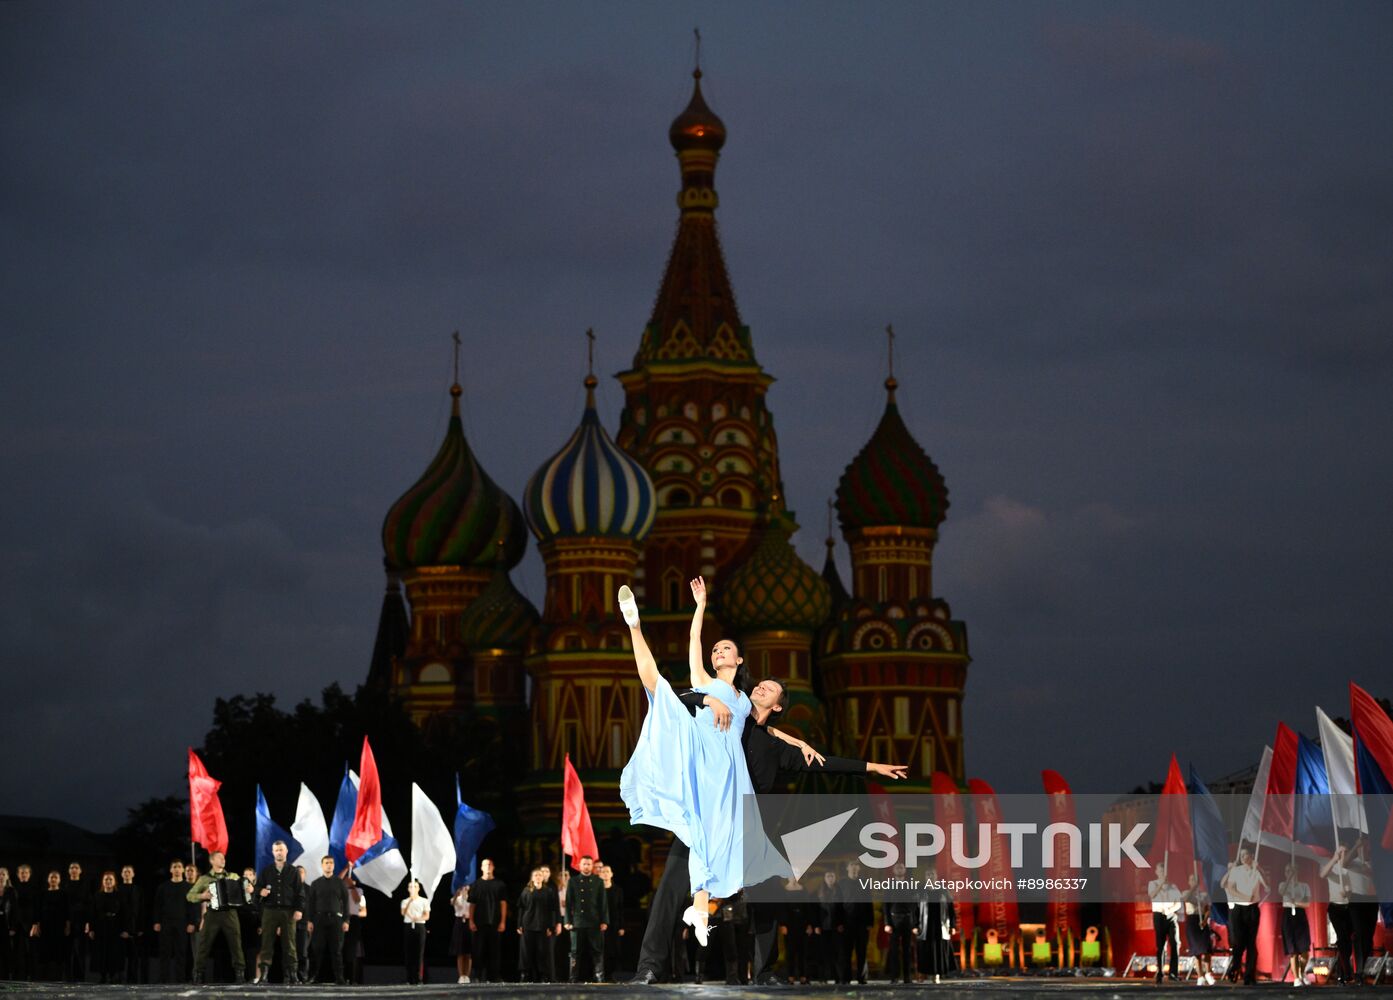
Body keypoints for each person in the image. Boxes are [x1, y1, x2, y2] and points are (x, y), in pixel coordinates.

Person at [628, 662, 907, 987]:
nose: (761, 686)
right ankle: (649, 967)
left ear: (777, 707)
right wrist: (708, 699)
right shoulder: (727, 718)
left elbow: (823, 764)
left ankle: (765, 971)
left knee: (769, 895)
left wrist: (871, 767)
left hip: (744, 830)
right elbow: (681, 699)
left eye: (770, 688)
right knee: (669, 891)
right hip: (704, 820)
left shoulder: (775, 749)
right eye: (760, 684)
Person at [619, 577, 819, 949]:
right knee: (658, 687)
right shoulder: (704, 682)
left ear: (739, 659)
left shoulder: (745, 698)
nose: (718, 652)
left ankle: (699, 909)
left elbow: (767, 730)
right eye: (716, 650)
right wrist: (700, 606)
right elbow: (694, 640)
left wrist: (799, 741)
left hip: (730, 772)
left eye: (725, 648)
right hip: (701, 752)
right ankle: (634, 625)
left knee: (713, 837)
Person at [186, 851, 244, 984]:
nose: (223, 860)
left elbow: (245, 887)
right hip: (212, 913)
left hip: (230, 913)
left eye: (224, 858)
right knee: (204, 944)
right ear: (211, 861)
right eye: (220, 858)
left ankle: (240, 974)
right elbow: (189, 895)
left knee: (236, 944)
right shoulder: (204, 879)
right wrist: (202, 896)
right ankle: (198, 974)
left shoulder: (233, 876)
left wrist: (247, 888)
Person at [256, 840, 303, 984]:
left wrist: (299, 909)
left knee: (290, 944)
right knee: (266, 943)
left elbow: (299, 893)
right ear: (273, 852)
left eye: (281, 850)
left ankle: (293, 975)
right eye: (276, 850)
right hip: (269, 911)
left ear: (286, 851)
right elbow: (257, 888)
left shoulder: (293, 871)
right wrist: (260, 891)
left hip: (288, 912)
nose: (279, 853)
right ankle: (264, 975)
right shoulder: (266, 871)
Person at [1220, 845, 1268, 986]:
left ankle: (1249, 976)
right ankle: (1235, 968)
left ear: (1251, 856)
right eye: (1241, 855)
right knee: (1238, 942)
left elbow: (1267, 886)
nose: (1243, 858)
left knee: (1251, 943)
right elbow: (1230, 888)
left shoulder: (1256, 871)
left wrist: (1260, 869)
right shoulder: (1236, 871)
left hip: (1252, 909)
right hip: (1238, 909)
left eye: (1245, 855)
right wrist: (1244, 897)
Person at [303, 856, 349, 985]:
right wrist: (309, 920)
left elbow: (346, 903)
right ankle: (313, 977)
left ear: (333, 866)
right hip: (319, 920)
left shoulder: (340, 883)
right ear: (322, 865)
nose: (329, 865)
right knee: (316, 950)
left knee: (337, 950)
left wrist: (346, 920)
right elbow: (310, 904)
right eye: (326, 863)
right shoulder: (315, 883)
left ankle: (339, 978)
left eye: (331, 863)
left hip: (336, 920)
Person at [565, 855, 608, 983]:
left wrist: (604, 921)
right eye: (584, 864)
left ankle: (599, 976)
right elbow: (568, 903)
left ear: (592, 866)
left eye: (589, 864)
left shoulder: (598, 881)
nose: (586, 866)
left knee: (597, 950)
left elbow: (603, 903)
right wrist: (567, 921)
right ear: (579, 866)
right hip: (577, 922)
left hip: (594, 921)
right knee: (575, 951)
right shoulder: (573, 881)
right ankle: (573, 977)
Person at [516, 867, 559, 982]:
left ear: (543, 878)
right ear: (532, 878)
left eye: (540, 875)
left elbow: (552, 910)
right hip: (528, 925)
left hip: (543, 926)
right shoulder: (526, 891)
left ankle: (543, 975)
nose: (538, 877)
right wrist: (519, 924)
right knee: (526, 951)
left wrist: (551, 926)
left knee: (542, 951)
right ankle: (525, 974)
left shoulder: (548, 891)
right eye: (536, 875)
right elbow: (521, 908)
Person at [469, 857, 507, 982]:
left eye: (490, 864)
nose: (488, 866)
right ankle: (477, 975)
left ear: (493, 867)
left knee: (494, 951)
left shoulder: (500, 884)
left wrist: (502, 921)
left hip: (495, 922)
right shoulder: (476, 885)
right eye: (485, 864)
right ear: (481, 868)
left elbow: (503, 904)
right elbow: (472, 904)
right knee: (478, 950)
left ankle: (494, 976)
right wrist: (471, 920)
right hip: (479, 922)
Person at [1320, 842, 1354, 984]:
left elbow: (1352, 890)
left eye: (1345, 852)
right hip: (1335, 908)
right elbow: (1322, 874)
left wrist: (1347, 892)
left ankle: (1342, 972)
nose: (1343, 855)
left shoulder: (1349, 871)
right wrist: (1334, 859)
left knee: (1346, 942)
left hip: (1348, 909)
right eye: (1341, 852)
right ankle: (1346, 972)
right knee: (1342, 938)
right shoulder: (1332, 868)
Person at [917, 862, 956, 983]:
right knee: (925, 950)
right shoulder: (920, 891)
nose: (930, 876)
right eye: (928, 874)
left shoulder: (944, 891)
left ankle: (937, 975)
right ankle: (923, 974)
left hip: (941, 925)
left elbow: (951, 909)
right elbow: (915, 909)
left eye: (932, 874)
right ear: (925, 877)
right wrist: (914, 925)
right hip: (925, 926)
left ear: (936, 876)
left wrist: (953, 926)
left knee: (939, 950)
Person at [88, 871, 128, 983]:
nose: (108, 881)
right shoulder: (97, 895)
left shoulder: (119, 895)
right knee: (101, 951)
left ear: (114, 882)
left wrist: (125, 929)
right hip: (101, 926)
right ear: (103, 881)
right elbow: (92, 913)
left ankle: (113, 975)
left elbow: (124, 913)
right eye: (106, 879)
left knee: (114, 951)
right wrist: (91, 929)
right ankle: (103, 976)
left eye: (110, 879)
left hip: (115, 926)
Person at [152, 860, 188, 983]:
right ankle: (164, 978)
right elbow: (157, 905)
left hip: (182, 923)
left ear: (183, 869)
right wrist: (156, 921)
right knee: (164, 952)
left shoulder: (188, 887)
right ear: (171, 870)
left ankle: (180, 979)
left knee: (181, 952)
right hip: (166, 922)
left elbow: (192, 906)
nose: (177, 869)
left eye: (179, 867)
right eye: (174, 867)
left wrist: (192, 922)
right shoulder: (163, 887)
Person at [881, 863, 918, 984]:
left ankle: (907, 977)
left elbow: (915, 906)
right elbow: (885, 906)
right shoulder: (889, 885)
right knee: (894, 950)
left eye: (901, 868)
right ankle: (894, 977)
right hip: (894, 921)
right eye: (897, 868)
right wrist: (887, 923)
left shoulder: (911, 885)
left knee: (907, 950)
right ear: (893, 870)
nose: (899, 869)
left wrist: (915, 924)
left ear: (905, 870)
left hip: (908, 920)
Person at [1147, 861, 1182, 983]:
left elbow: (1178, 903)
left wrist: (1170, 910)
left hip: (1171, 916)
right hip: (1159, 916)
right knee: (1161, 945)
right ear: (1157, 872)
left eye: (1164, 871)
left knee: (1175, 943)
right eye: (1160, 871)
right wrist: (1161, 883)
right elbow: (1152, 895)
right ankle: (1160, 972)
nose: (1162, 873)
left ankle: (1173, 972)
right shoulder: (1152, 884)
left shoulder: (1173, 886)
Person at [1278, 862, 1311, 986]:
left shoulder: (1304, 886)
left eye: (1291, 871)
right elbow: (1281, 892)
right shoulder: (1283, 884)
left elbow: (1307, 903)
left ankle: (1302, 973)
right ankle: (1296, 978)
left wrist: (1296, 902)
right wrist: (1289, 879)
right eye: (1287, 871)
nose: (1289, 873)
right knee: (1293, 951)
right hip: (1288, 916)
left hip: (1300, 916)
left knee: (1304, 951)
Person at [1181, 872, 1215, 987]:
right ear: (1189, 882)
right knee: (1196, 951)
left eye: (1195, 880)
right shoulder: (1186, 893)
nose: (1193, 882)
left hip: (1202, 921)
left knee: (1206, 948)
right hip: (1192, 921)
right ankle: (1200, 976)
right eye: (1191, 880)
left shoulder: (1204, 895)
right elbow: (1185, 899)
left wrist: (1205, 921)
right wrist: (1193, 889)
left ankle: (1208, 973)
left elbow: (1208, 909)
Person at [35, 870, 67, 981]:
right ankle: (43, 977)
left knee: (58, 951)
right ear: (48, 879)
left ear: (59, 880)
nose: (53, 879)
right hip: (45, 926)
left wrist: (67, 926)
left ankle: (57, 977)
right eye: (51, 877)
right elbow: (38, 910)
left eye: (55, 877)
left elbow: (67, 911)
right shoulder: (42, 894)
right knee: (44, 951)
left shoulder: (63, 894)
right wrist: (37, 925)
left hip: (59, 926)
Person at [779, 874, 812, 984]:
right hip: (789, 926)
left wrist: (809, 924)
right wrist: (783, 924)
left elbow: (807, 908)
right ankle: (790, 976)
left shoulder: (803, 889)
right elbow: (782, 909)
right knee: (790, 952)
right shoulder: (784, 891)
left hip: (802, 925)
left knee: (803, 952)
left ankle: (803, 976)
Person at [63, 860, 90, 982]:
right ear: (69, 871)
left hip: (81, 920)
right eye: (72, 867)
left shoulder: (85, 885)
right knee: (67, 950)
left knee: (80, 950)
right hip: (66, 920)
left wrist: (88, 923)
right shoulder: (65, 885)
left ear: (80, 871)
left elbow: (89, 904)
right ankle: (68, 977)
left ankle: (80, 977)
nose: (74, 869)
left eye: (76, 867)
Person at [599, 863, 625, 981]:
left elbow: (621, 909)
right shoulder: (597, 890)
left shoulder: (618, 890)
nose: (605, 874)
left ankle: (613, 975)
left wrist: (622, 926)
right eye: (603, 872)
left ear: (611, 874)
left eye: (607, 871)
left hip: (614, 925)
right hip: (600, 925)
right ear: (599, 874)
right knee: (601, 950)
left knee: (614, 951)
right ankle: (601, 975)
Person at [400, 879, 430, 984]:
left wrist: (417, 918)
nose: (413, 889)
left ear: (419, 888)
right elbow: (403, 912)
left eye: (415, 886)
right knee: (409, 953)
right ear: (408, 889)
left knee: (419, 953)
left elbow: (427, 916)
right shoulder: (405, 901)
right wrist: (410, 901)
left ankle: (419, 978)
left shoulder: (424, 901)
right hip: (408, 926)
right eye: (411, 887)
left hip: (419, 926)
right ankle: (409, 978)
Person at [117, 865, 143, 984]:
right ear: (122, 874)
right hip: (121, 927)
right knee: (120, 956)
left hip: (135, 927)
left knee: (134, 956)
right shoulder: (117, 889)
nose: (127, 873)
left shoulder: (138, 890)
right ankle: (119, 978)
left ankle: (133, 979)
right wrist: (120, 929)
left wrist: (140, 927)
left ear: (133, 874)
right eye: (125, 871)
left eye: (129, 871)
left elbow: (142, 909)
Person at [13, 864, 37, 981]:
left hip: (30, 924)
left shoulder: (34, 889)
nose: (23, 874)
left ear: (29, 874)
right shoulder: (13, 889)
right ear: (18, 875)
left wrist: (35, 924)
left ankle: (30, 975)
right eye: (21, 872)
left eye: (26, 872)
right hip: (17, 924)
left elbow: (37, 907)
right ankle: (18, 976)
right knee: (18, 951)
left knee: (30, 951)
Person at [238, 867, 261, 982]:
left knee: (253, 951)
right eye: (245, 874)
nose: (247, 876)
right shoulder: (238, 891)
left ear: (254, 876)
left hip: (254, 924)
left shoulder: (258, 890)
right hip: (241, 924)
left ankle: (253, 976)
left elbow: (262, 908)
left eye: (250, 874)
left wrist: (261, 925)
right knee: (241, 951)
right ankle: (242, 977)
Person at [450, 883, 473, 983]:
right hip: (459, 923)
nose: (465, 888)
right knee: (460, 952)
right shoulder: (457, 899)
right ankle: (461, 975)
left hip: (468, 922)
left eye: (466, 887)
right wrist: (457, 894)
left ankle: (467, 975)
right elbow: (452, 902)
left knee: (468, 952)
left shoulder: (471, 899)